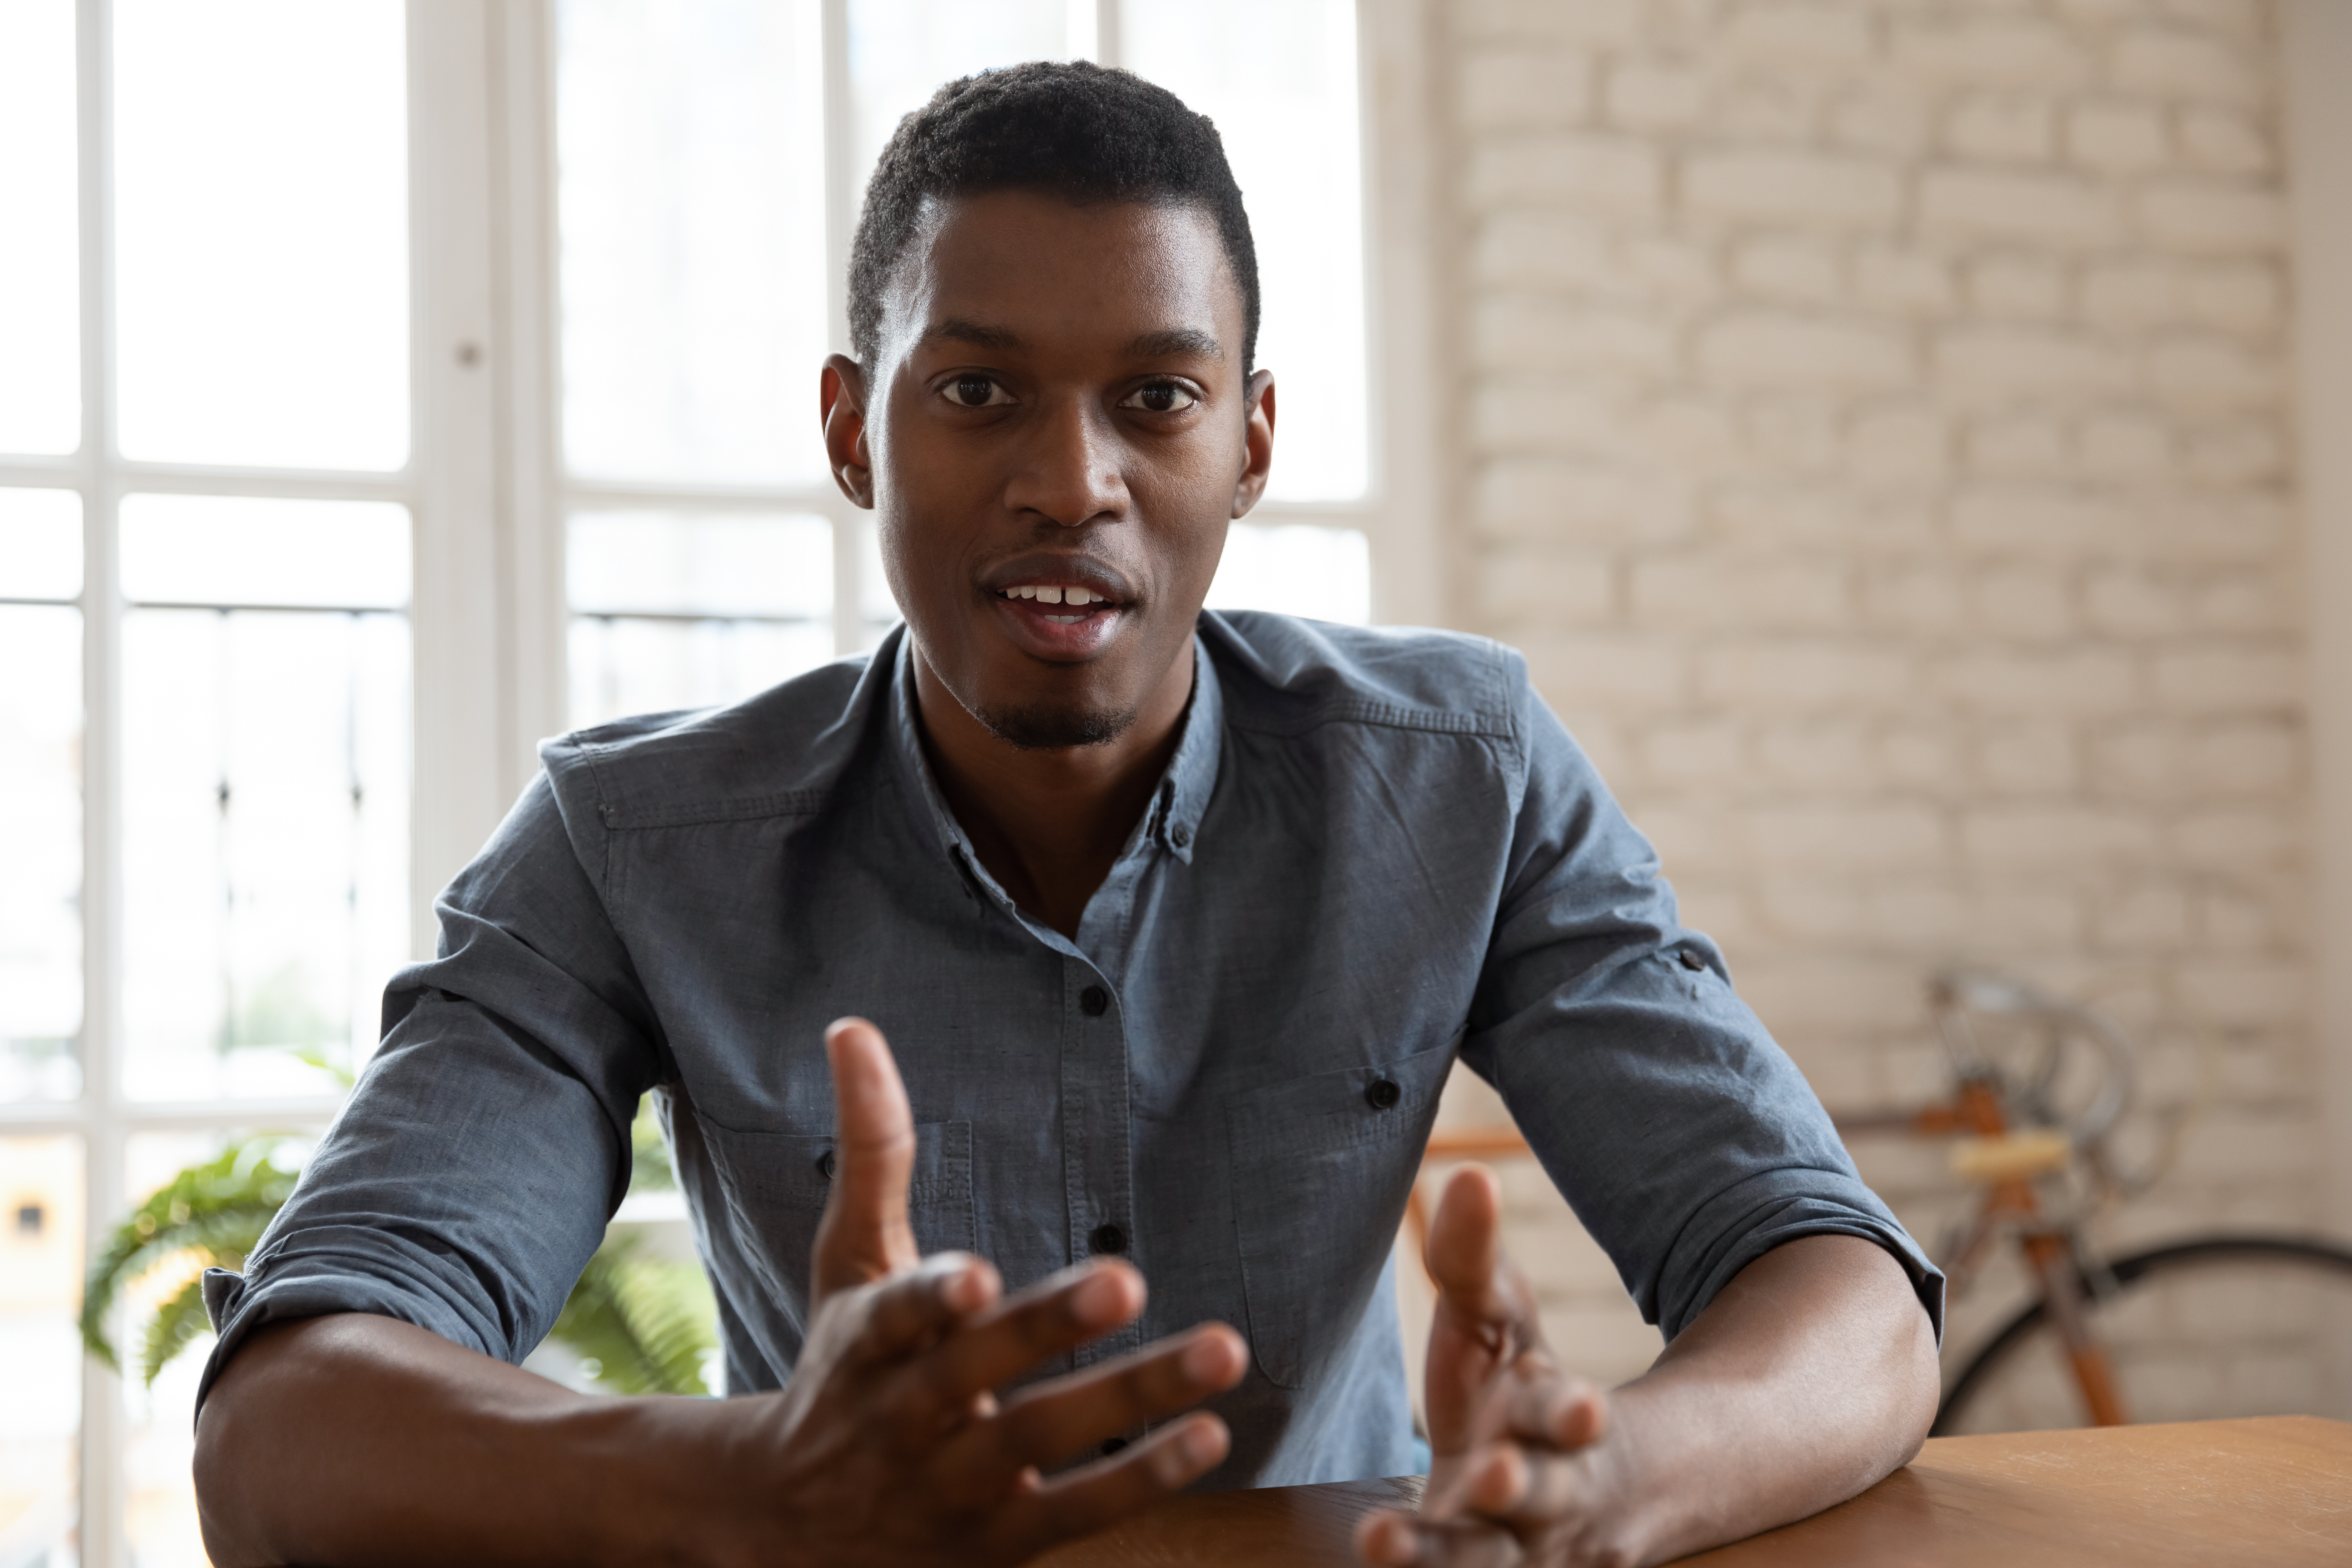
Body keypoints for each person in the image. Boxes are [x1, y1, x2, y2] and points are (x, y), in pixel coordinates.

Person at [191, 61, 1943, 1568]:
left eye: (1156, 400)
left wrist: (1604, 1486)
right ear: (851, 432)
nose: (1069, 482)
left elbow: (1847, 1301)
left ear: (1249, 444)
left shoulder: (1459, 774)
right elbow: (280, 1424)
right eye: (977, 392)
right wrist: (759, 1486)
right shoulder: (629, 842)